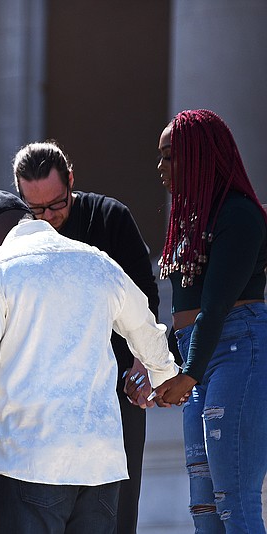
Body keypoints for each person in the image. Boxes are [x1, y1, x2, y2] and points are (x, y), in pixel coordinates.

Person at [0, 190, 179, 534]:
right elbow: (146, 328)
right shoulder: (97, 262)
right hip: (100, 471)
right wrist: (166, 377)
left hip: (24, 466)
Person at [12, 141, 159, 534]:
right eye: (36, 208)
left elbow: (144, 299)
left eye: (57, 205)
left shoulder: (110, 217)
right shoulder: (18, 235)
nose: (49, 217)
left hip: (114, 391)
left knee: (118, 516)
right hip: (45, 401)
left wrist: (143, 364)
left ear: (71, 181)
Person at [150, 109, 267, 533]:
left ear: (200, 157)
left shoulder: (238, 215)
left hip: (237, 352)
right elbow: (183, 316)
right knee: (204, 506)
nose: (160, 167)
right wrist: (163, 367)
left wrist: (188, 374)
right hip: (198, 361)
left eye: (170, 156)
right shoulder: (189, 223)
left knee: (234, 499)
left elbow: (216, 305)